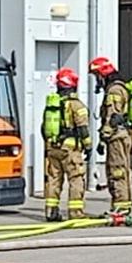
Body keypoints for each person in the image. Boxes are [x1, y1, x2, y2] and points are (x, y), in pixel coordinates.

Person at [42, 68, 92, 222]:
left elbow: (43, 128)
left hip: (53, 148)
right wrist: (88, 146)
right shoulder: (77, 106)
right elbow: (83, 129)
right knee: (76, 179)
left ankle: (51, 211)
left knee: (53, 179)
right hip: (70, 150)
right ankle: (76, 213)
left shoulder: (52, 105)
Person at [89, 56, 132, 226]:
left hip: (116, 137)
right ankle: (123, 206)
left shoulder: (113, 91)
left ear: (103, 74)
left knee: (117, 171)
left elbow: (112, 118)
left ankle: (120, 208)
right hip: (121, 135)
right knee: (122, 170)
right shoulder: (117, 87)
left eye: (96, 76)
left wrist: (103, 138)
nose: (97, 81)